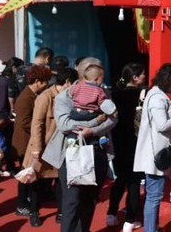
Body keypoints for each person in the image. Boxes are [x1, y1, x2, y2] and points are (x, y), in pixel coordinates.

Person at [42, 59, 119, 232]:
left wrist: (93, 130)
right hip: (71, 151)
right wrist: (95, 122)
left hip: (98, 149)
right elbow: (64, 125)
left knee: (90, 197)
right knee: (72, 199)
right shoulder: (66, 96)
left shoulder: (104, 92)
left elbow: (114, 118)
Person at [134, 63, 171, 232]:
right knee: (154, 196)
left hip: (155, 153)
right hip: (155, 155)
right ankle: (150, 229)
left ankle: (153, 227)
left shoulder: (155, 95)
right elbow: (162, 125)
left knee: (153, 195)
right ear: (170, 79)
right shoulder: (158, 98)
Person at [25, 66, 79, 225]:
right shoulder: (46, 97)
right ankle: (34, 211)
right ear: (68, 81)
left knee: (61, 181)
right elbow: (37, 124)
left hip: (62, 146)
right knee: (38, 181)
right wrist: (36, 147)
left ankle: (61, 211)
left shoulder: (70, 97)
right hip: (44, 146)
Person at [107, 63, 148, 232]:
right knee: (134, 182)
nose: (145, 76)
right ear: (135, 77)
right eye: (142, 74)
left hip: (118, 141)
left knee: (120, 179)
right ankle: (130, 220)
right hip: (137, 142)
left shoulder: (114, 95)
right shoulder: (144, 94)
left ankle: (111, 214)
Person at [13, 65, 53, 227]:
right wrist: (41, 128)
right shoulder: (26, 98)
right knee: (26, 175)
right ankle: (22, 204)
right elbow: (24, 122)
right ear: (37, 81)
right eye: (45, 81)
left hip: (28, 140)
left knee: (29, 174)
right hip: (25, 142)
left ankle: (27, 201)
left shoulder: (31, 95)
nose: (47, 84)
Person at [9, 48, 53, 112]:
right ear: (48, 58)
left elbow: (11, 91)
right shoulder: (41, 73)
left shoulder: (19, 69)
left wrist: (12, 108)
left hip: (19, 105)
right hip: (35, 107)